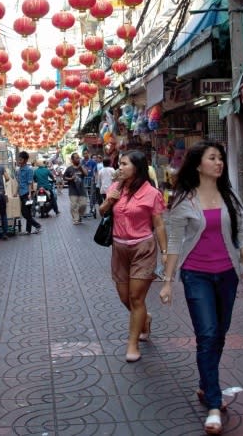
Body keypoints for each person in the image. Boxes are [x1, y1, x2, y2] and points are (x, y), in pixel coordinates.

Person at [159, 140, 243, 436]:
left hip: (227, 274)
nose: (219, 163)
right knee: (208, 334)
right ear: (198, 164)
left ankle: (205, 386)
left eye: (220, 158)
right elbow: (174, 242)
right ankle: (214, 404)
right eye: (213, 158)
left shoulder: (230, 196)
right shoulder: (183, 201)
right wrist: (167, 281)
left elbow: (242, 233)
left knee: (220, 334)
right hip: (196, 275)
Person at [98, 150, 166, 364]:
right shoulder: (115, 187)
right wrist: (110, 200)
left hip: (143, 248)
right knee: (124, 297)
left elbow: (159, 225)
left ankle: (133, 343)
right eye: (120, 164)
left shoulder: (151, 193)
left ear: (137, 167)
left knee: (137, 298)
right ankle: (144, 318)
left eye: (125, 164)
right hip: (119, 248)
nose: (120, 167)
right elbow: (102, 211)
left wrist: (165, 253)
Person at [15, 151, 41, 234]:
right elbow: (19, 182)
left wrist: (30, 194)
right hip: (21, 193)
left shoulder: (29, 169)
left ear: (26, 160)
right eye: (19, 159)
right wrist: (16, 192)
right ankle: (28, 230)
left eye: (21, 159)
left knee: (25, 213)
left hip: (27, 194)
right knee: (27, 213)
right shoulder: (19, 170)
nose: (19, 161)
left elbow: (30, 183)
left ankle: (37, 225)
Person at [63, 152, 88, 225]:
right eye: (76, 158)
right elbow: (64, 177)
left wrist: (81, 168)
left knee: (83, 205)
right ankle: (76, 219)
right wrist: (71, 178)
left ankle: (79, 215)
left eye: (79, 158)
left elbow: (86, 174)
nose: (78, 159)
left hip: (82, 190)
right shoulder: (69, 169)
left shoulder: (82, 167)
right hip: (73, 190)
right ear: (72, 160)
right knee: (74, 205)